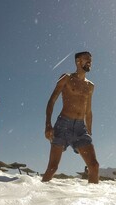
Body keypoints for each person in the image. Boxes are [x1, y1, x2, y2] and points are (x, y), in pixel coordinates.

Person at [42, 51, 99, 183]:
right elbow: (52, 100)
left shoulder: (90, 86)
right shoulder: (66, 78)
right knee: (52, 167)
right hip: (63, 124)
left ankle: (93, 200)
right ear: (78, 61)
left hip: (80, 128)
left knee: (94, 166)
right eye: (86, 59)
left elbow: (88, 111)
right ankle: (37, 198)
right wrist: (48, 125)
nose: (90, 62)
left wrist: (89, 131)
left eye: (91, 60)